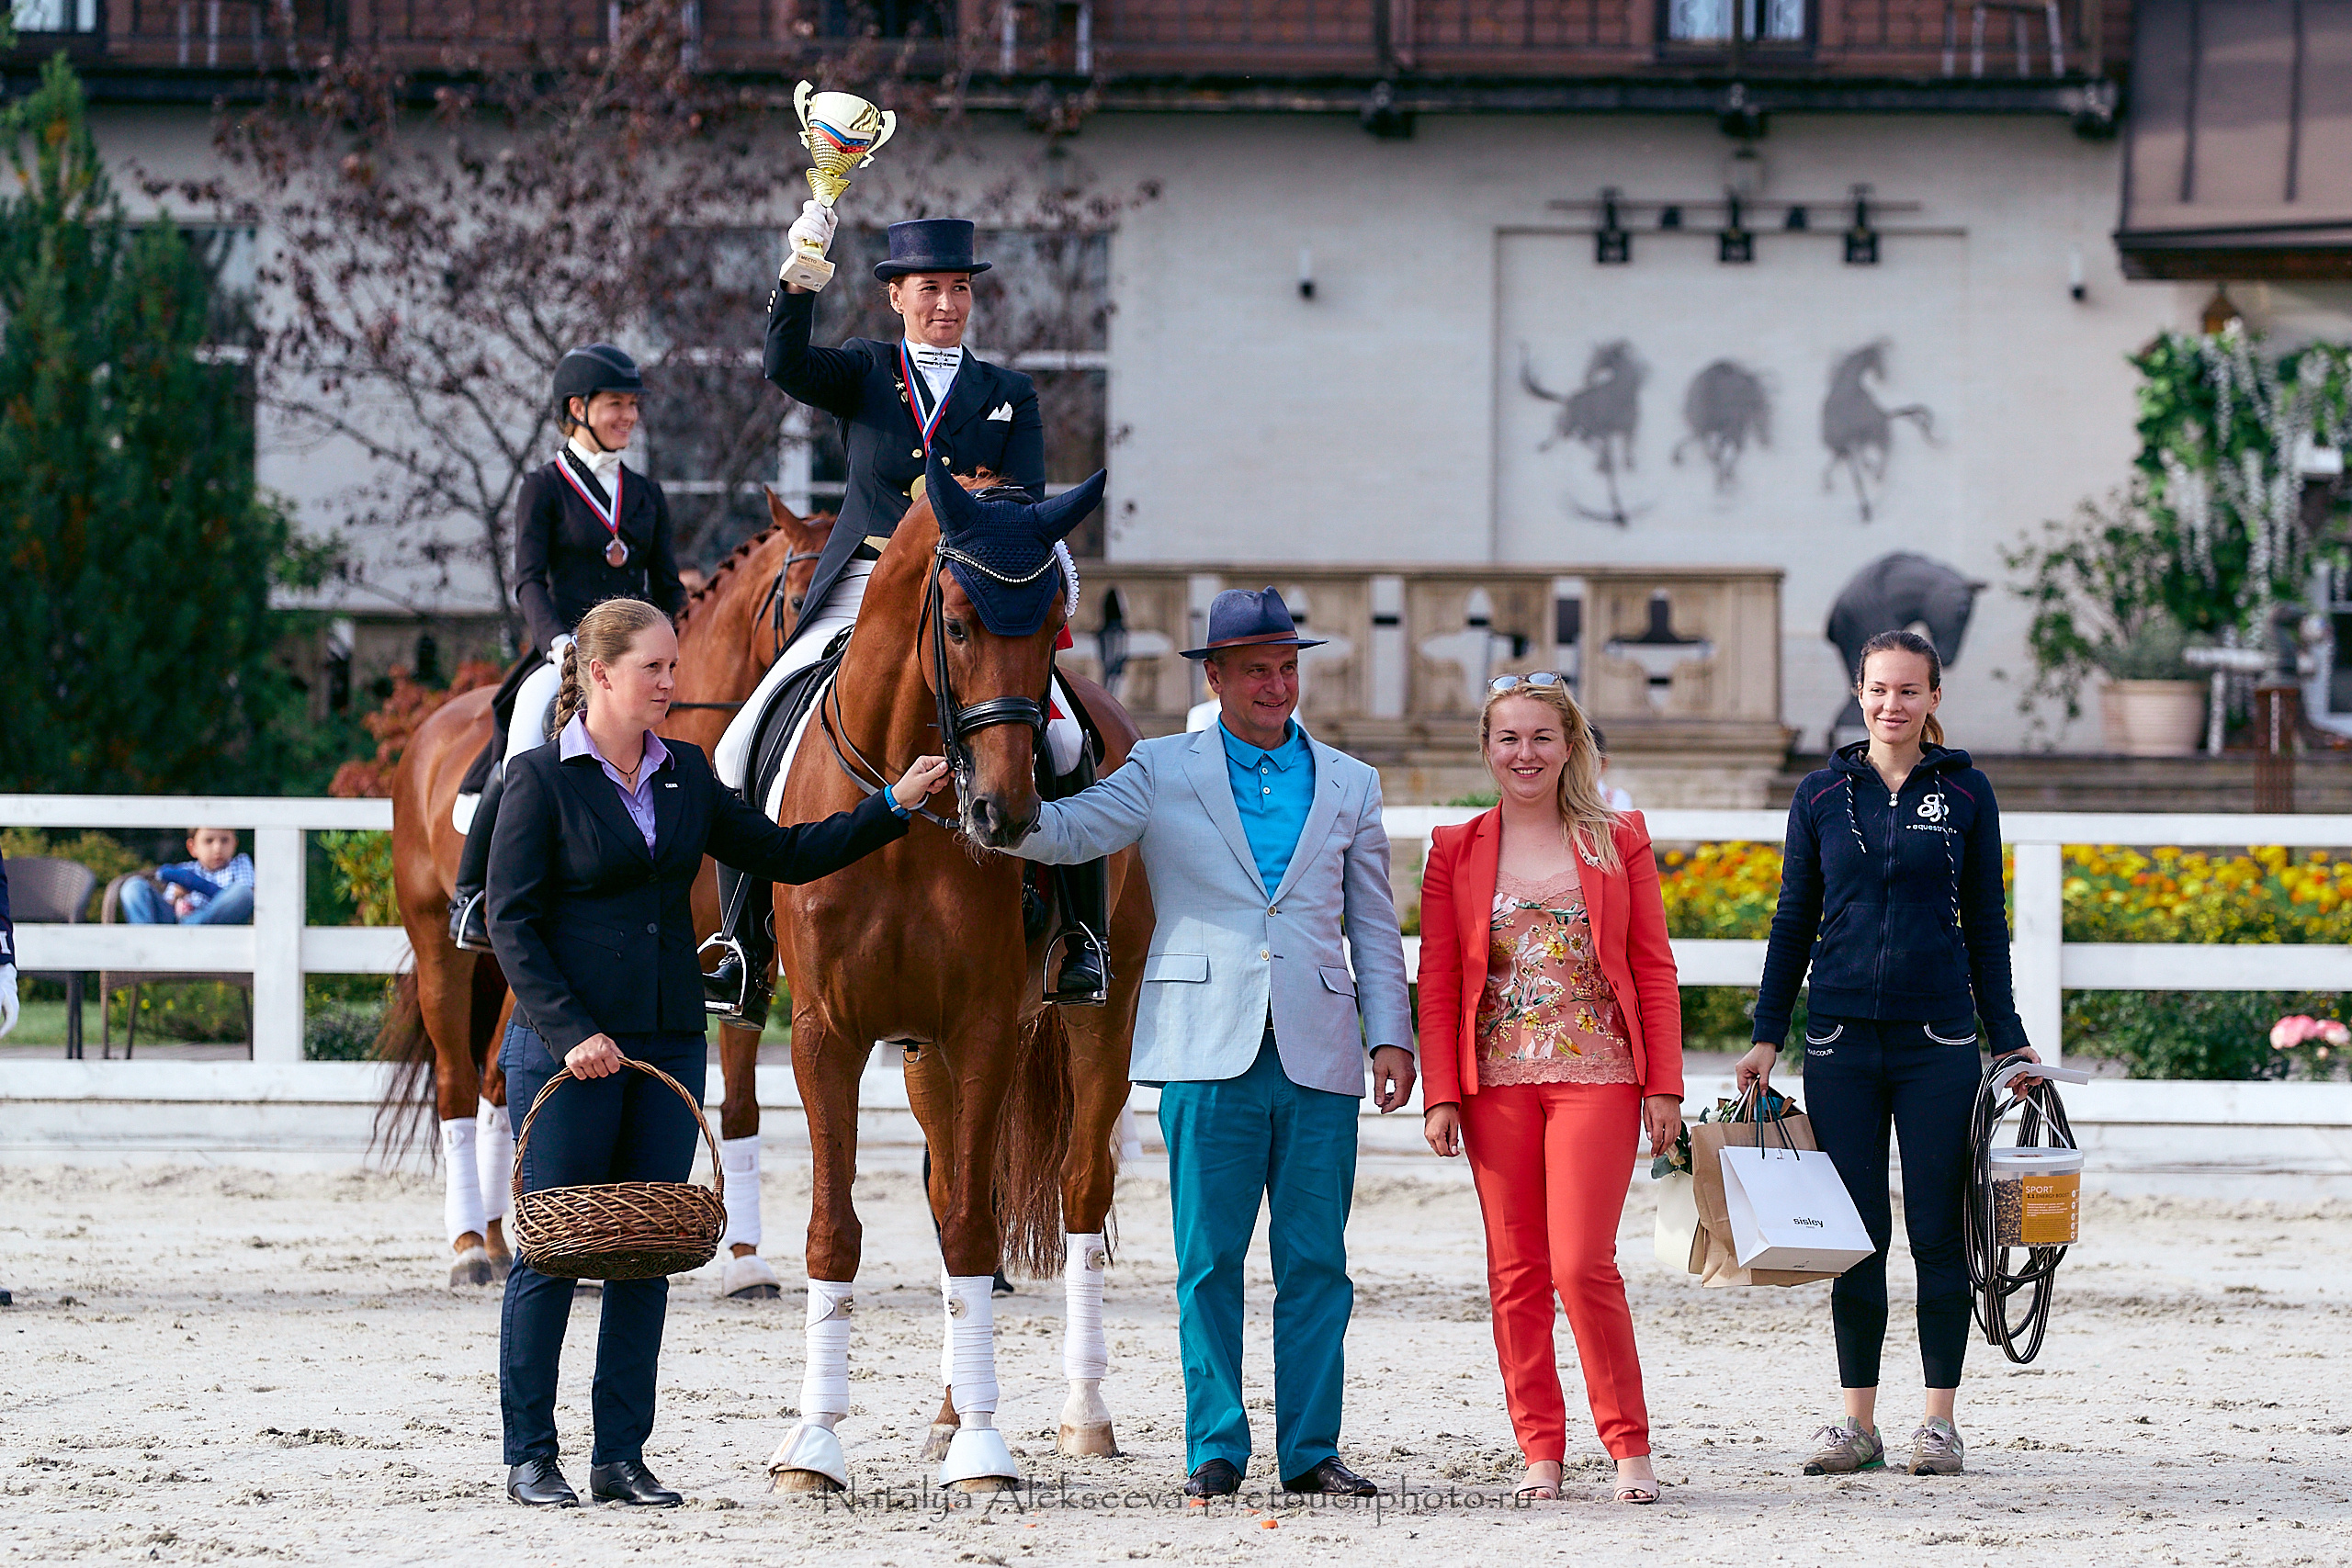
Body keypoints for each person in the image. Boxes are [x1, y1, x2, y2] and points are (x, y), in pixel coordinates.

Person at [486, 595, 947, 1508]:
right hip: (566, 1049)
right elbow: (511, 922)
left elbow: (784, 852)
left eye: (673, 665)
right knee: (552, 1256)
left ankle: (621, 1458)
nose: (673, 681)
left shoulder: (687, 775)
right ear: (604, 674)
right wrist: (572, 1032)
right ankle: (529, 1457)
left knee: (644, 1254)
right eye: (656, 667)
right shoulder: (540, 780)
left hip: (662, 1046)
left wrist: (890, 806)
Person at [1008, 586, 1414, 1499]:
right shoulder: (1159, 769)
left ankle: (1312, 1451)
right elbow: (1074, 831)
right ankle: (1215, 1447)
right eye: (1256, 670)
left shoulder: (1351, 781)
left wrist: (1390, 1034)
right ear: (1217, 677)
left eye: (1287, 667)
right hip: (1204, 1048)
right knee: (1208, 1263)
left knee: (1317, 1263)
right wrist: (994, 814)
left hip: (1319, 1048)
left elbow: (1373, 925)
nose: (1276, 685)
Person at [704, 214, 1107, 1023]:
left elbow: (1021, 504)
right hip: (866, 584)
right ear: (897, 296)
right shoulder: (864, 371)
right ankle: (742, 947)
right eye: (931, 289)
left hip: (970, 592)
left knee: (1066, 740)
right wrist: (801, 269)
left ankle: (1080, 938)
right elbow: (782, 363)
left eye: (960, 289)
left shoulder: (1007, 394)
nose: (948, 304)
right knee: (740, 741)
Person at [1738, 628, 2043, 1480]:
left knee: (1941, 1234)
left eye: (1909, 690)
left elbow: (1986, 923)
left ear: (1934, 698)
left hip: (1939, 1043)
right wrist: (1768, 1033)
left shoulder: (1970, 793)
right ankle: (1858, 1423)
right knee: (1858, 1235)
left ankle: (1938, 1423)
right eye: (1878, 689)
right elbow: (1793, 917)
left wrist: (2008, 1037)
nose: (1891, 704)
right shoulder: (1820, 793)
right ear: (1859, 692)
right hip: (1839, 1041)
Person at [1417, 673, 1685, 1505]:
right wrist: (1440, 1093)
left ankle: (1628, 1445)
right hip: (1493, 1083)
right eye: (1508, 738)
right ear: (1487, 749)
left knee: (1580, 1262)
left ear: (1569, 745)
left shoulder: (1617, 839)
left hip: (1599, 1076)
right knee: (1516, 1270)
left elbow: (1652, 967)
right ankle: (1541, 1448)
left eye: (1541, 737)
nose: (1524, 754)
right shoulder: (1455, 848)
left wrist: (1664, 1087)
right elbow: (1434, 980)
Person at [448, 344, 684, 953]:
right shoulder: (543, 487)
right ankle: (472, 894)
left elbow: (668, 589)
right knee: (526, 731)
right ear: (577, 408)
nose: (629, 417)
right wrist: (559, 645)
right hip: (564, 652)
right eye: (617, 406)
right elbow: (528, 578)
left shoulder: (647, 494)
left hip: (636, 659)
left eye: (634, 406)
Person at [121, 829, 254, 925]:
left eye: (225, 840)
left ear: (235, 844)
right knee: (133, 886)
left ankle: (191, 931)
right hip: (176, 924)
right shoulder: (185, 870)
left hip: (217, 924)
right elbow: (168, 908)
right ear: (193, 847)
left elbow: (247, 897)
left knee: (242, 892)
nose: (217, 848)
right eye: (209, 841)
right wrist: (177, 896)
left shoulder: (240, 863)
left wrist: (200, 886)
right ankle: (146, 945)